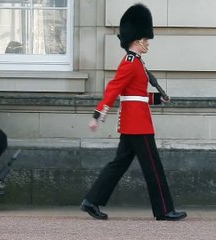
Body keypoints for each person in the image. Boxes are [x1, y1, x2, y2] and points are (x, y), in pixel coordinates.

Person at [80, 3, 187, 221]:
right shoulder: (130, 62)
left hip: (134, 122)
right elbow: (114, 89)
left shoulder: (137, 62)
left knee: (119, 164)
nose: (148, 43)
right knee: (153, 167)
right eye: (146, 40)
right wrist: (98, 115)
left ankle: (92, 200)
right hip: (138, 124)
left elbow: (136, 95)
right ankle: (164, 210)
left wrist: (158, 98)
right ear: (137, 40)